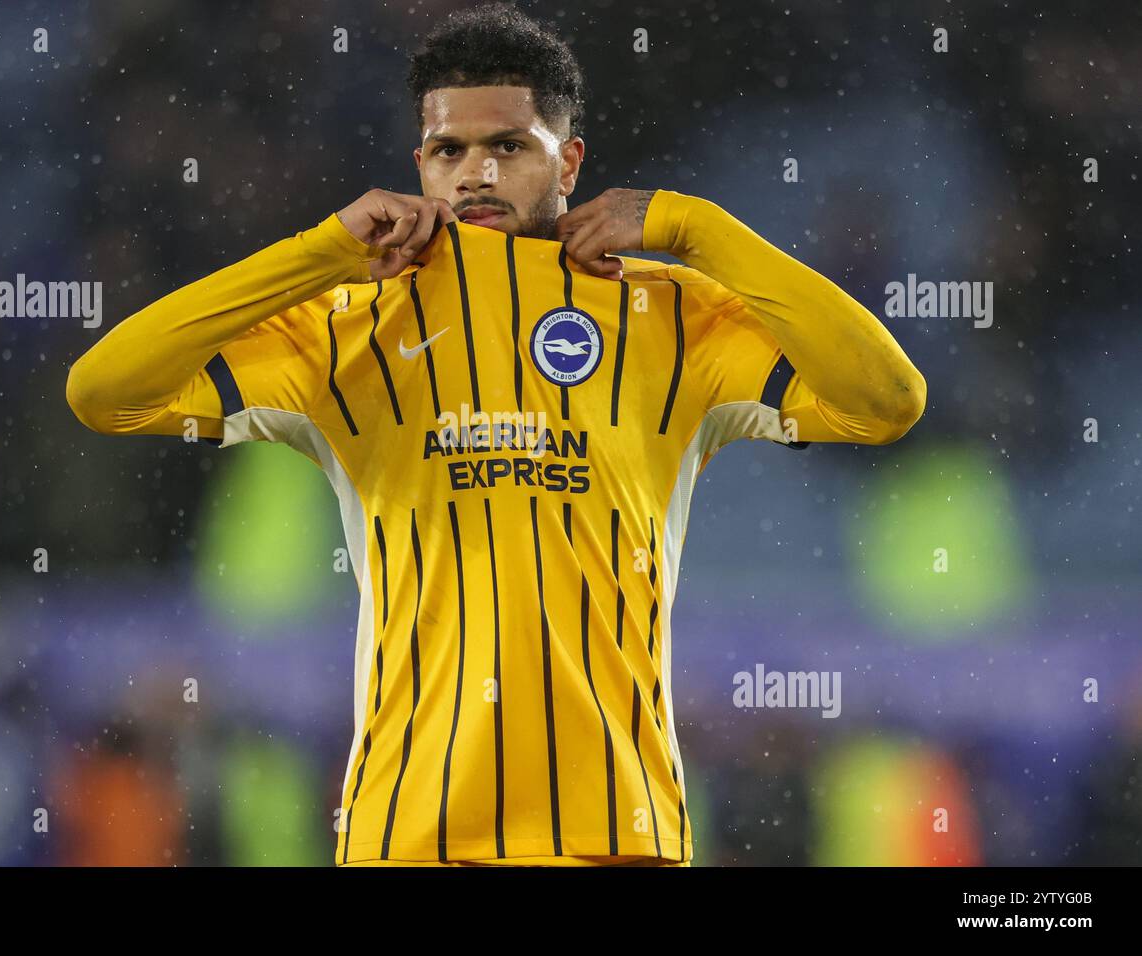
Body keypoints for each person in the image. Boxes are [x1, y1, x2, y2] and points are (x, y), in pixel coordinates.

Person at [65, 3, 926, 867]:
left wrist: (701, 232)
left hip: (617, 837)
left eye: (508, 147)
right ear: (420, 165)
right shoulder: (346, 331)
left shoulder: (668, 316)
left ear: (569, 161)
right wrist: (317, 254)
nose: (475, 173)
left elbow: (887, 399)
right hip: (407, 833)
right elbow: (104, 392)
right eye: (449, 151)